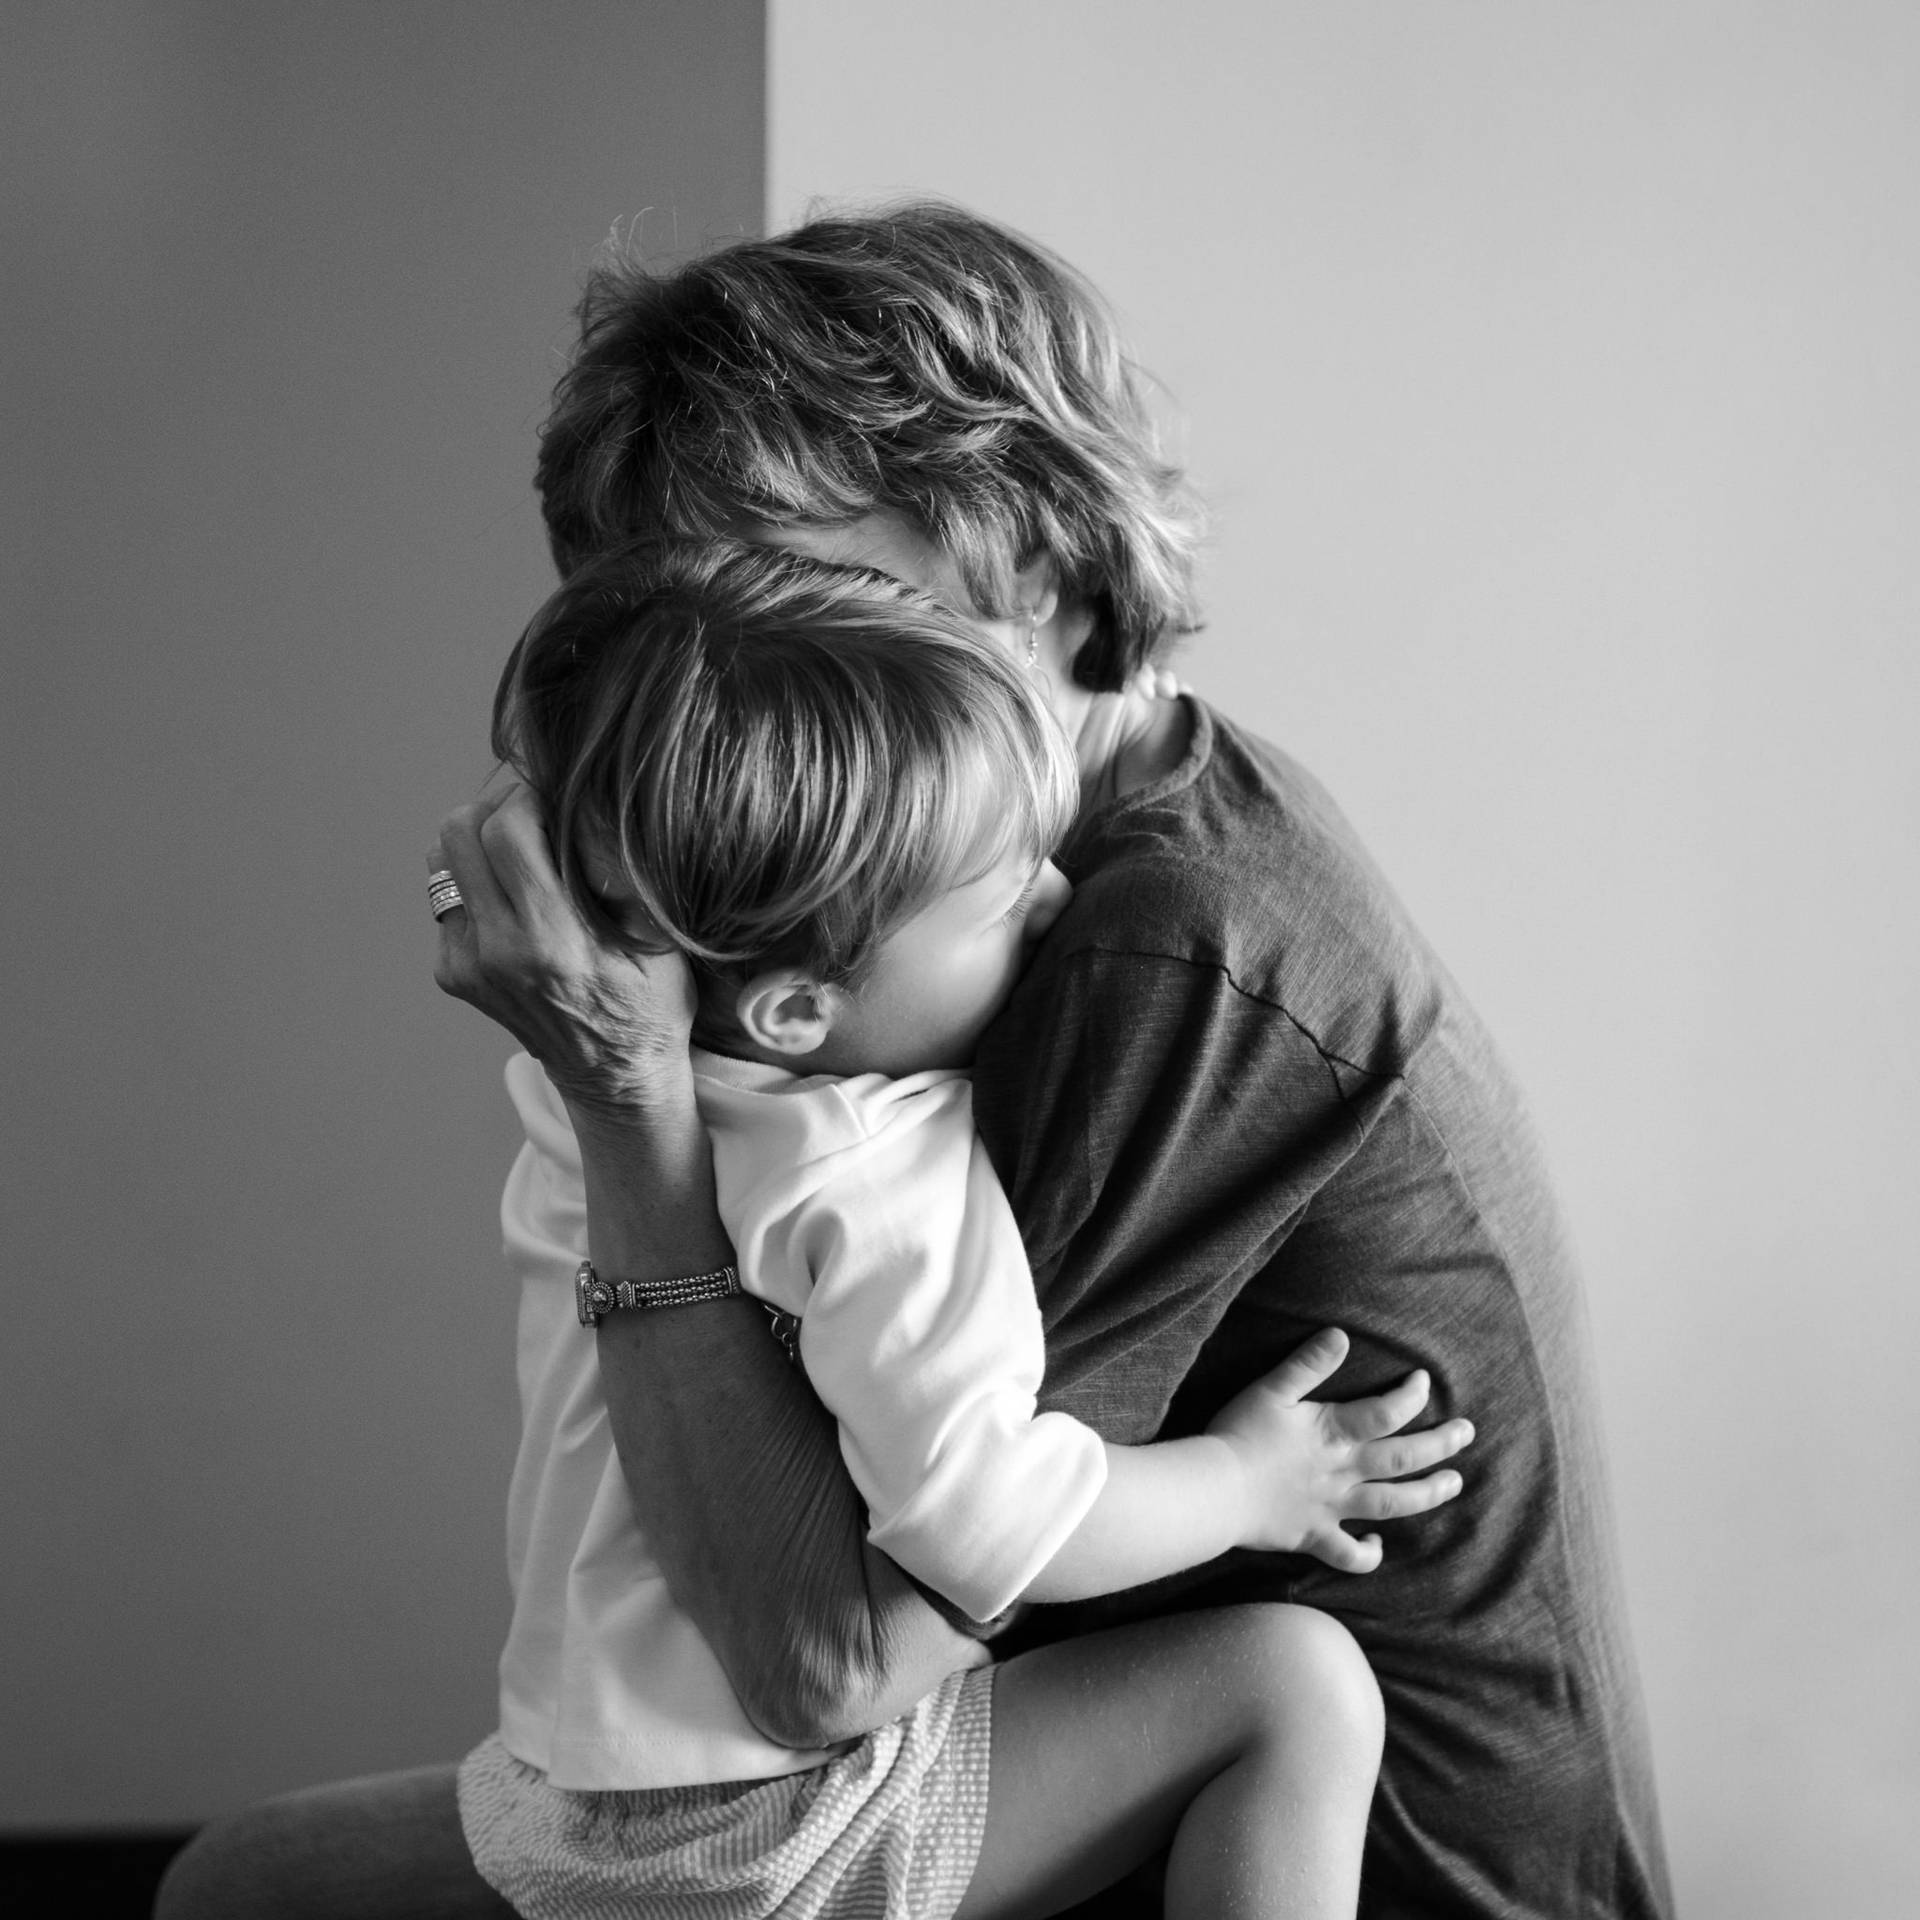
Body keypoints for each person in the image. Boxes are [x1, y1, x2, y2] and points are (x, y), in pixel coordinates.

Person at [159, 202, 1671, 1920]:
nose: (748, 679)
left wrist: (625, 1091)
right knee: (241, 1881)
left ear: (1030, 543)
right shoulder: (932, 893)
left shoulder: (1154, 939)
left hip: (1318, 1851)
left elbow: (820, 1661)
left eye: (805, 589)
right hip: (992, 1753)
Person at [451, 534, 1472, 1920]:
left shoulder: (573, 1081)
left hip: (566, 1798)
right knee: (1293, 1690)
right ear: (801, 1009)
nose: (1058, 903)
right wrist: (1251, 1482)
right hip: (769, 1830)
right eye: (1002, 901)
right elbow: (997, 1528)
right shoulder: (878, 1176)